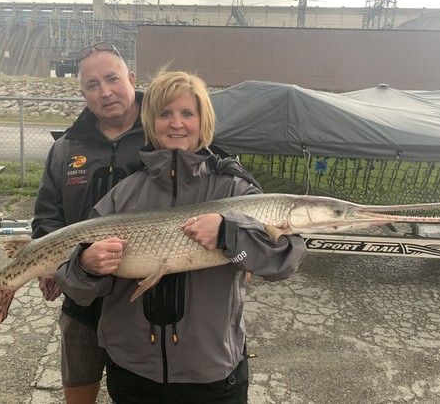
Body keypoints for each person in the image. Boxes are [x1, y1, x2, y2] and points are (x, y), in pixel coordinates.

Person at [55, 70, 307, 404]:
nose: (176, 123)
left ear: (203, 120)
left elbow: (283, 262)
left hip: (211, 372)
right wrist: (86, 265)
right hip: (133, 371)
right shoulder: (123, 195)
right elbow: (78, 288)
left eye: (187, 113)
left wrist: (231, 236)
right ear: (150, 122)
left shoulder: (234, 188)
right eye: (165, 114)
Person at [31, 42, 145, 403]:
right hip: (81, 302)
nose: (105, 91)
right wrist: (52, 266)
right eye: (92, 85)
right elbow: (48, 215)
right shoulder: (65, 148)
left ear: (131, 78)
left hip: (142, 304)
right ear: (82, 93)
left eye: (112, 78)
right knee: (79, 390)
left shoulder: (163, 136)